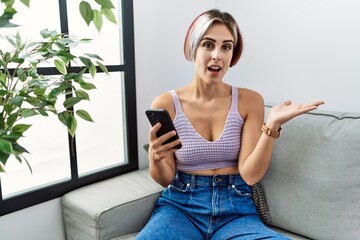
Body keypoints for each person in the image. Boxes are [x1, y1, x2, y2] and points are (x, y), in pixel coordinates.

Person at [136, 9, 324, 240]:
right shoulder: (167, 103)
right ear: (192, 48)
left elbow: (251, 175)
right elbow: (165, 178)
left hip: (236, 211)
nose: (217, 55)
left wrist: (272, 124)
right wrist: (155, 157)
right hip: (181, 207)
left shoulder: (250, 101)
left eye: (226, 47)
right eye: (208, 45)